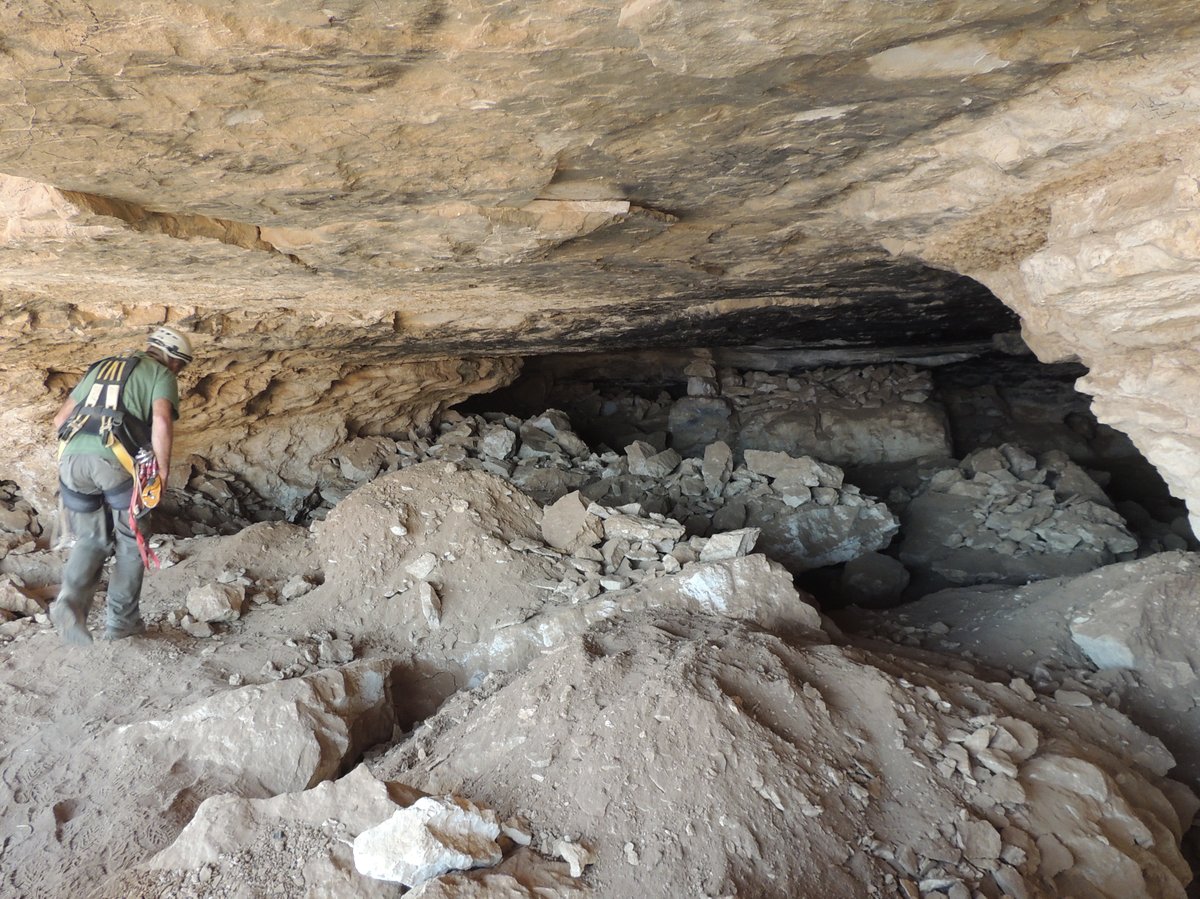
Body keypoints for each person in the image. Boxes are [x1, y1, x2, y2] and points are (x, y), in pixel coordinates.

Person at [48, 326, 193, 644]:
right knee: (131, 542)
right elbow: (162, 421)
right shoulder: (160, 373)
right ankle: (123, 624)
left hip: (71, 461)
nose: (178, 372)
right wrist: (162, 473)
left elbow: (60, 420)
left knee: (91, 538)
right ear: (171, 358)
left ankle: (69, 602)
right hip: (115, 461)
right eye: (180, 365)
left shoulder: (101, 366)